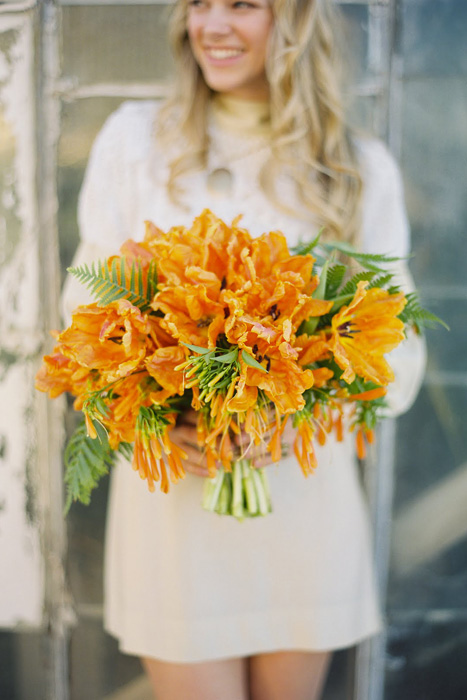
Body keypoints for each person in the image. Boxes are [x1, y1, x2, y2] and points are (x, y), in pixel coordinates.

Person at [63, 1, 426, 698]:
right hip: (174, 508)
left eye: (243, 4)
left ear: (297, 22)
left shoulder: (354, 166)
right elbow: (83, 313)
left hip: (302, 503)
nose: (212, 25)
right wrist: (155, 416)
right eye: (199, 2)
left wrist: (301, 415)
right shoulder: (134, 142)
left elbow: (394, 345)